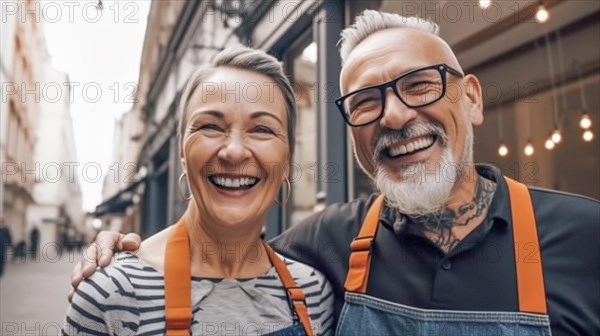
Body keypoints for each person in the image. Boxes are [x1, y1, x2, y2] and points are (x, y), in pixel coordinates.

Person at [71, 10, 600, 335]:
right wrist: (128, 249)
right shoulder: (325, 248)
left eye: (418, 86)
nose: (394, 116)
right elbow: (225, 242)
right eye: (366, 102)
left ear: (472, 99)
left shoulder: (586, 238)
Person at [63, 46, 334, 336]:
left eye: (262, 130)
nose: (234, 151)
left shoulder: (314, 293)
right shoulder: (111, 292)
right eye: (211, 126)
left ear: (286, 160)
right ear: (182, 150)